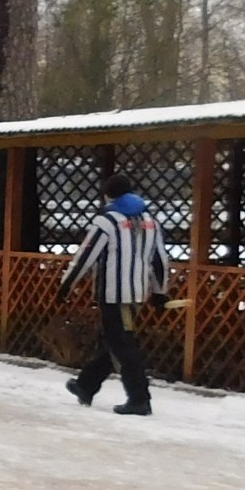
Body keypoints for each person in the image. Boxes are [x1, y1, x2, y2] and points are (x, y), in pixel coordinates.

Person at [61, 172, 172, 417]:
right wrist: (160, 291)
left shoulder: (107, 221)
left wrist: (66, 284)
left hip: (113, 294)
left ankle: (139, 398)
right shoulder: (150, 221)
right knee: (117, 340)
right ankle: (86, 385)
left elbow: (86, 256)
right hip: (138, 293)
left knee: (123, 345)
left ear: (108, 195)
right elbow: (160, 259)